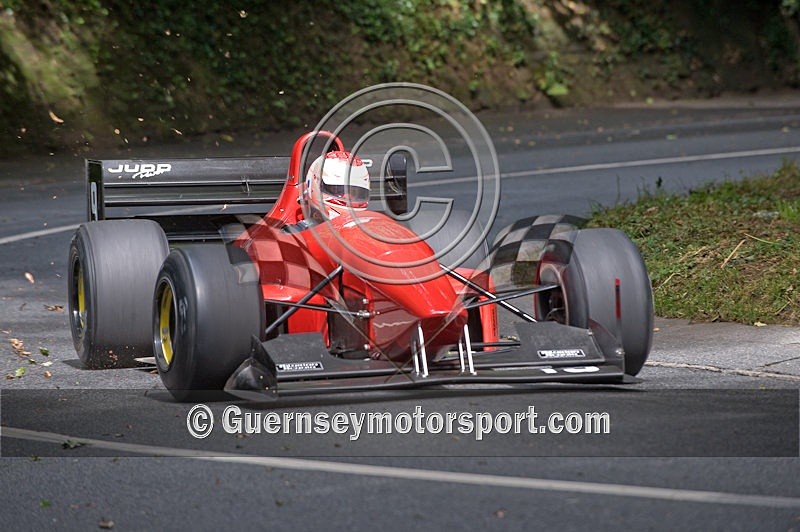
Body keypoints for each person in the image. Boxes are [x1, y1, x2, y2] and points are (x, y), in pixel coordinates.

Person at [289, 151, 370, 232]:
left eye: (354, 193)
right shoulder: (295, 235)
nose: (348, 198)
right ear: (314, 186)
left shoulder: (372, 231)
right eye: (340, 190)